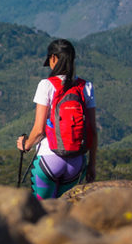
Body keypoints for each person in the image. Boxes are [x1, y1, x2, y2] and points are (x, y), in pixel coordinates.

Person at [16, 39, 97, 199]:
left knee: (43, 212)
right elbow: (92, 131)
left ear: (53, 58)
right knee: (65, 212)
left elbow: (39, 130)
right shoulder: (86, 86)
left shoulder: (46, 85)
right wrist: (92, 165)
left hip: (48, 159)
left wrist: (25, 145)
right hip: (77, 162)